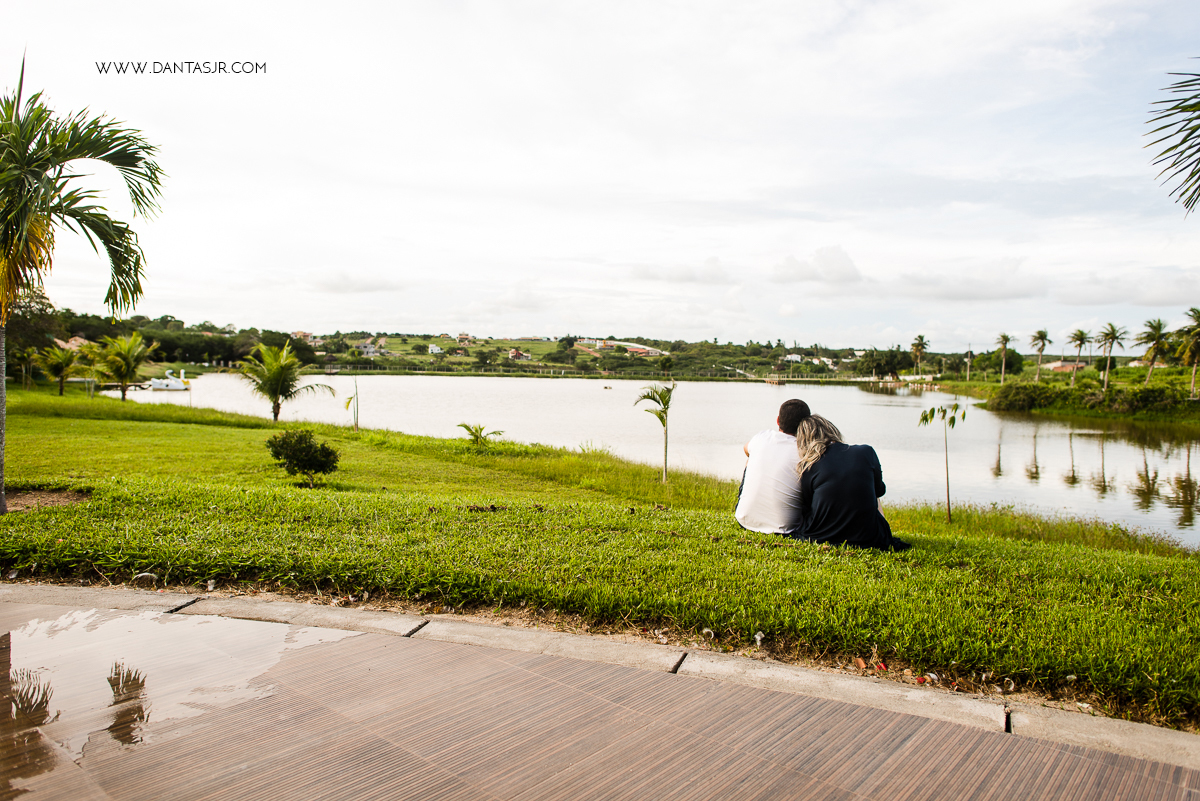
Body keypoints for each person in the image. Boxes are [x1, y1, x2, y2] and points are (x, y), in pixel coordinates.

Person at [793, 413, 909, 551]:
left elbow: (808, 504)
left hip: (821, 535)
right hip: (868, 537)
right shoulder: (866, 452)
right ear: (831, 430)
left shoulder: (809, 466)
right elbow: (880, 491)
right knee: (870, 489)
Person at [734, 399, 811, 536]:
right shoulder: (806, 451)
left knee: (750, 458)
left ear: (778, 420)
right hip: (787, 529)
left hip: (744, 520)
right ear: (807, 425)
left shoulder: (762, 437)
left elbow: (746, 450)